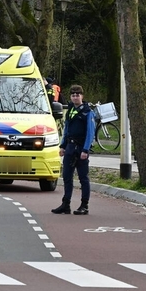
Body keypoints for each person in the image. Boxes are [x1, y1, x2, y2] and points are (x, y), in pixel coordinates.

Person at [52, 84, 96, 215]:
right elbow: (66, 129)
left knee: (83, 178)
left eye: (77, 95)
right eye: (73, 95)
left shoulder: (88, 112)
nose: (75, 97)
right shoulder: (70, 110)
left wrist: (86, 150)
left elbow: (90, 132)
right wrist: (62, 145)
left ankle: (84, 205)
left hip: (81, 148)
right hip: (70, 147)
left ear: (82, 96)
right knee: (66, 177)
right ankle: (66, 204)